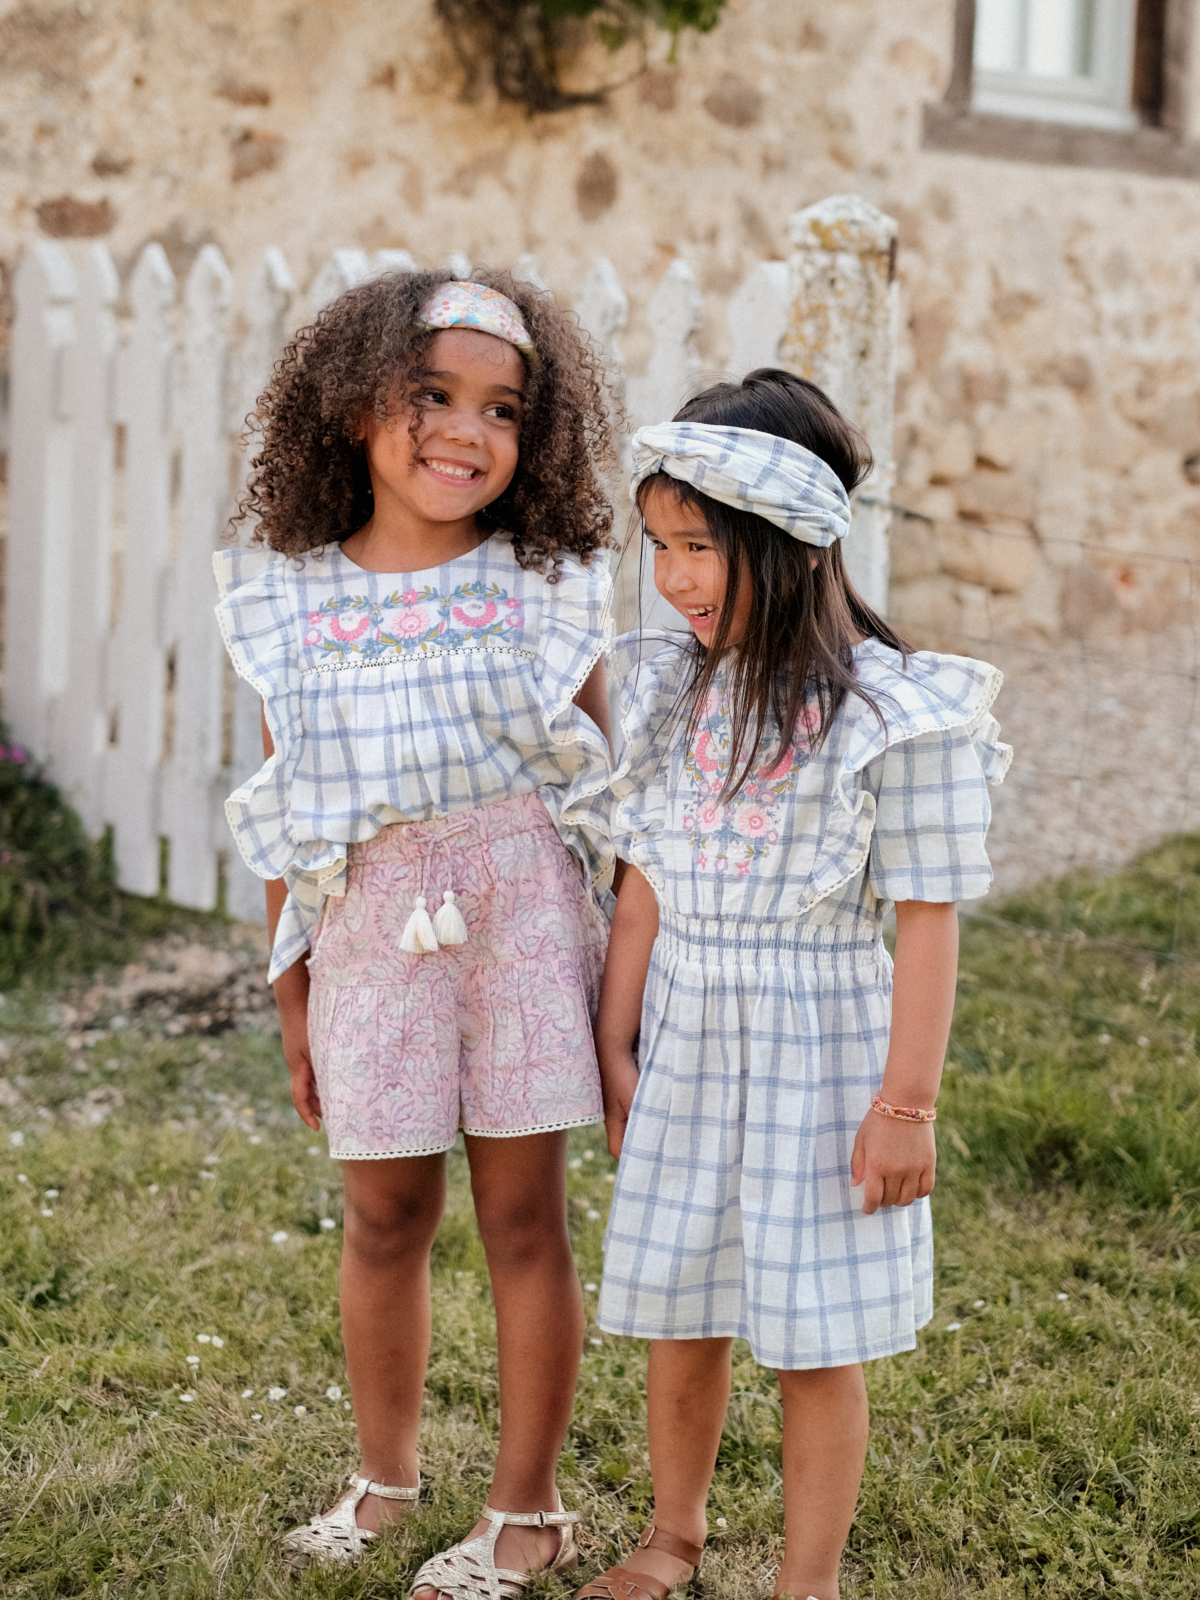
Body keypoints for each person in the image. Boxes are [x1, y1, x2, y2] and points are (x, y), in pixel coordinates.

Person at [214, 270, 618, 1597]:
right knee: (384, 1213)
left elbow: (603, 795)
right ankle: (385, 1481)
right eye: (432, 394)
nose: (464, 429)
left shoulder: (547, 588)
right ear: (352, 407)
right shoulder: (290, 601)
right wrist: (291, 997)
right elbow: (287, 814)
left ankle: (527, 1511)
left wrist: (620, 992)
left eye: (503, 409)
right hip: (370, 931)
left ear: (533, 439)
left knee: (524, 1215)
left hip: (522, 922)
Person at [582, 371, 1012, 1600]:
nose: (676, 578)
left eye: (702, 547)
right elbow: (645, 881)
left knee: (815, 1332)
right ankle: (672, 1534)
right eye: (660, 545)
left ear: (791, 540)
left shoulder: (890, 713)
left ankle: (806, 1580)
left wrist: (906, 1105)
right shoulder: (672, 689)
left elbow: (927, 922)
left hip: (821, 1053)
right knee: (683, 1304)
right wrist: (615, 1040)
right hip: (688, 1035)